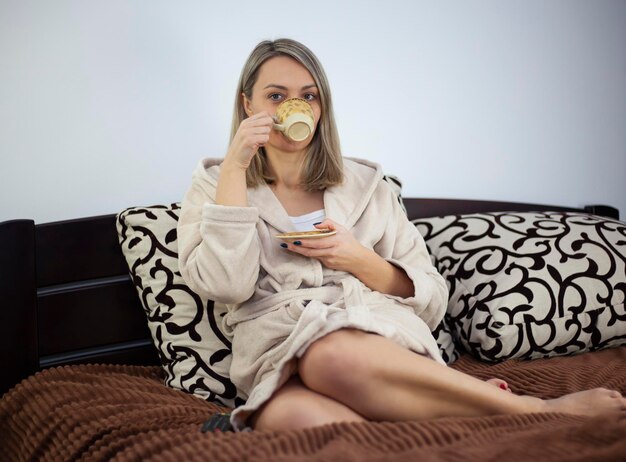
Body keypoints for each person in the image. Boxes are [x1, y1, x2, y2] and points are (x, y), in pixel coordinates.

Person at [177, 38, 626, 432]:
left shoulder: (367, 185)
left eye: (308, 96)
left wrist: (357, 259)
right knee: (300, 423)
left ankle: (527, 408)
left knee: (331, 355)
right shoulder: (215, 186)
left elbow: (431, 300)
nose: (294, 108)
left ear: (321, 107)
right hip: (274, 349)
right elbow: (227, 285)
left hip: (370, 337)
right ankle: (455, 411)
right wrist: (235, 166)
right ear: (247, 105)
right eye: (276, 96)